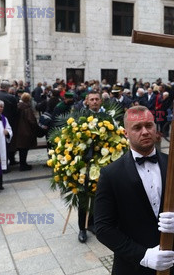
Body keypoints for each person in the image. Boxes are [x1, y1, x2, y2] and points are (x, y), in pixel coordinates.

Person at [95, 106, 174, 274]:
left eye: (149, 125)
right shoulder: (111, 174)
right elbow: (103, 228)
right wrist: (143, 255)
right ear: (126, 133)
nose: (145, 131)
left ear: (156, 127)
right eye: (137, 128)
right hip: (133, 267)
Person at [78, 91, 103, 243]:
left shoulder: (108, 117)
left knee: (97, 195)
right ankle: (82, 228)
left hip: (102, 162)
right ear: (87, 101)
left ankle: (92, 223)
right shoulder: (79, 117)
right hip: (84, 164)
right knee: (83, 196)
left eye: (97, 99)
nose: (94, 101)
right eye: (91, 99)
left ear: (101, 101)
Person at [16, 93, 39, 171]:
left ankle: (23, 163)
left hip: (18, 130)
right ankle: (23, 165)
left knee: (21, 148)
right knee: (24, 149)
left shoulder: (18, 106)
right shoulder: (27, 108)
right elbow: (32, 121)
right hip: (26, 130)